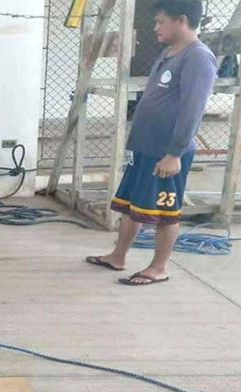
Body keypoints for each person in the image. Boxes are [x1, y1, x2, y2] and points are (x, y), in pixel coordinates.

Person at [87, 0, 216, 286]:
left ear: (181, 20)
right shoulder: (168, 53)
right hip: (144, 148)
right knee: (132, 206)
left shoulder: (197, 57)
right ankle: (117, 256)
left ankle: (159, 267)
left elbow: (192, 110)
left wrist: (174, 153)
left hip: (166, 153)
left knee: (165, 212)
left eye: (160, 21)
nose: (155, 27)